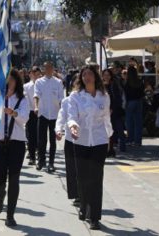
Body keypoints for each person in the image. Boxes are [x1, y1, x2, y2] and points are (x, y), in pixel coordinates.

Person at [67, 65, 113, 230]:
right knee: (82, 177)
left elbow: (107, 118)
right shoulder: (75, 96)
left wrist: (109, 137)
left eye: (89, 74)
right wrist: (73, 126)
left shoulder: (104, 96)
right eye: (84, 74)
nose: (87, 77)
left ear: (95, 77)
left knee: (96, 178)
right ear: (81, 78)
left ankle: (94, 217)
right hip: (81, 141)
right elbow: (71, 116)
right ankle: (84, 206)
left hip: (99, 142)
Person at [0, 69, 29, 227]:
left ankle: (10, 215)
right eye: (7, 80)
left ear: (17, 81)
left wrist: (14, 113)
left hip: (16, 143)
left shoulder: (22, 99)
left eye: (12, 79)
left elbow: (25, 118)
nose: (9, 82)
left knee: (14, 178)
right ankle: (0, 194)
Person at [34, 62, 64, 172]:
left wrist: (62, 113)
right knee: (41, 140)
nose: (48, 70)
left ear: (53, 69)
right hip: (43, 114)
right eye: (46, 68)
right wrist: (36, 107)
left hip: (55, 115)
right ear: (44, 69)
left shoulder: (58, 82)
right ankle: (41, 161)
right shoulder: (39, 82)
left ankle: (51, 162)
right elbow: (36, 95)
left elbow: (61, 98)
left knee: (53, 140)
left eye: (50, 68)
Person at [55, 94, 79, 207]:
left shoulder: (89, 99)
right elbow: (61, 117)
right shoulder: (66, 101)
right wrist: (58, 129)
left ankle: (84, 194)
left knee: (83, 170)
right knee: (71, 168)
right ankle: (76, 195)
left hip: (86, 141)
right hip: (70, 139)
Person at [102, 69, 126, 155]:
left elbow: (117, 99)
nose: (106, 77)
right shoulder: (101, 86)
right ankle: (109, 149)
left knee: (118, 129)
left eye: (108, 75)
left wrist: (112, 108)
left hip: (114, 111)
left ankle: (121, 147)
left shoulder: (114, 85)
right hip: (104, 111)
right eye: (105, 75)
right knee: (107, 131)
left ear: (111, 76)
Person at [23, 66, 41, 165]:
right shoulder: (26, 86)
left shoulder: (42, 85)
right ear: (31, 74)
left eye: (38, 74)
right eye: (34, 74)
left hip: (41, 112)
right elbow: (25, 100)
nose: (36, 76)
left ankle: (39, 153)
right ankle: (32, 156)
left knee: (39, 135)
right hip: (30, 112)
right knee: (31, 135)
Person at [124, 66, 145, 146]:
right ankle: (138, 141)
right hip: (139, 102)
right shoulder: (140, 81)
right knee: (138, 122)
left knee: (129, 122)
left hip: (130, 102)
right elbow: (142, 93)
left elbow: (126, 93)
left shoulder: (127, 82)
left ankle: (130, 139)